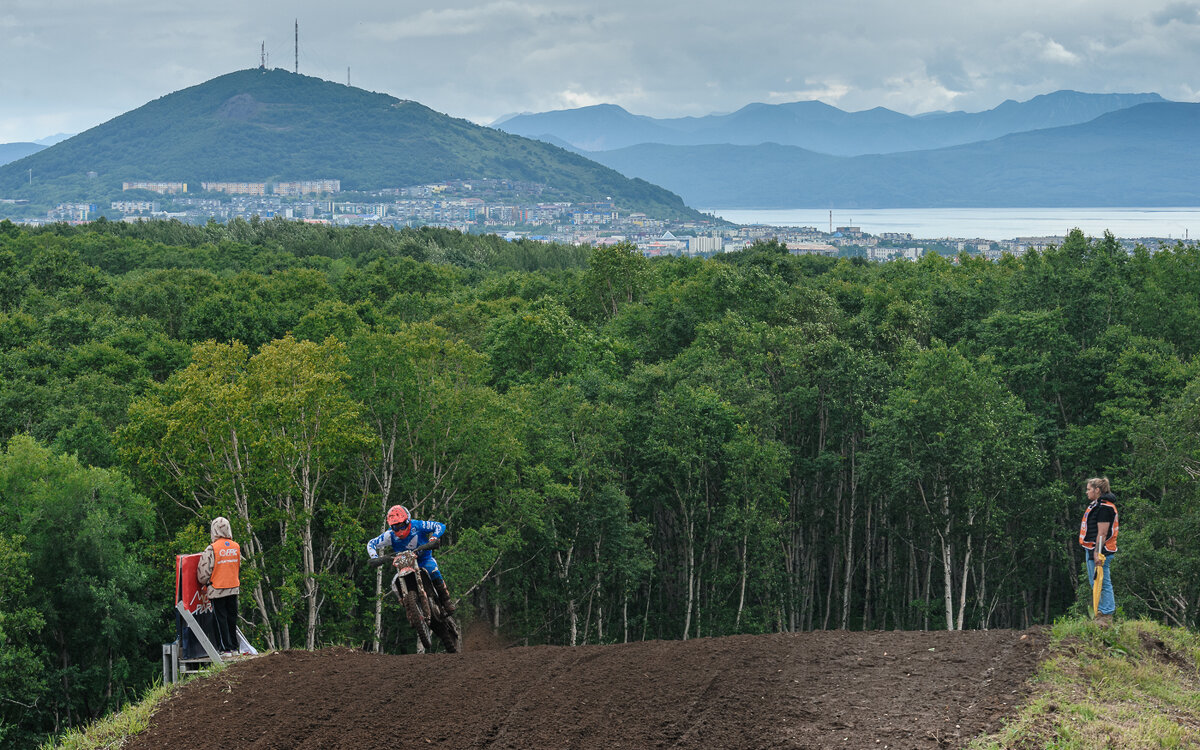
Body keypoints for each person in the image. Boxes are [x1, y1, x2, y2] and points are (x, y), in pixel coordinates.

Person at [367, 505, 456, 614]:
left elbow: (439, 525)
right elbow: (371, 543)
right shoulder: (390, 535)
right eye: (395, 527)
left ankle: (446, 600)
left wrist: (433, 538)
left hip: (424, 559)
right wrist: (374, 558)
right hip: (405, 565)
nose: (399, 530)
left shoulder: (418, 525)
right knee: (395, 584)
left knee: (433, 570)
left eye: (401, 525)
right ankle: (409, 610)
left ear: (407, 521)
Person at [198, 516, 242, 654]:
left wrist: (204, 583)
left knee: (220, 619)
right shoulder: (236, 547)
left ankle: (225, 649)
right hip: (233, 587)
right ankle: (235, 648)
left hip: (217, 589)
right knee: (232, 618)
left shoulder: (212, 549)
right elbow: (238, 565)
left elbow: (203, 573)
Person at [1078, 477, 1119, 625]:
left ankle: (1106, 612)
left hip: (1101, 550)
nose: (1087, 492)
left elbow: (1102, 532)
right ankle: (1101, 611)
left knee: (1102, 580)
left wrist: (1097, 553)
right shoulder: (1097, 505)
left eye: (1089, 489)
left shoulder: (1105, 507)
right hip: (1091, 548)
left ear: (1097, 490)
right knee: (1095, 581)